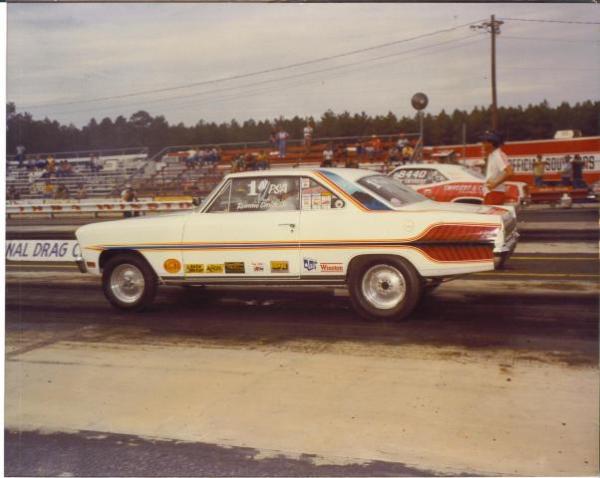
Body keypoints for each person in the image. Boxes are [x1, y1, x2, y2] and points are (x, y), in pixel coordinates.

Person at [480, 130, 513, 205]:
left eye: (484, 142)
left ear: (491, 143)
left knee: (491, 217)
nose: (482, 144)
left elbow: (510, 172)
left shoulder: (498, 155)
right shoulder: (492, 155)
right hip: (491, 193)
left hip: (495, 193)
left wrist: (495, 184)